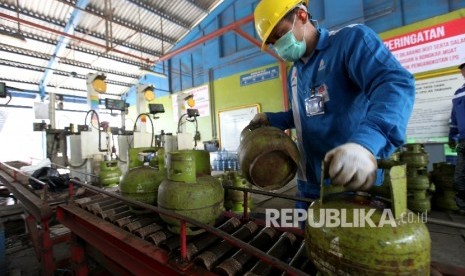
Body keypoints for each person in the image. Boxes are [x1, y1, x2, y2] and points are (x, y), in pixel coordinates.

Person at [251, 0, 415, 209]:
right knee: (308, 241)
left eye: (280, 34)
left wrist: (365, 144)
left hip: (353, 182)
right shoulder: (295, 73)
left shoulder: (350, 42)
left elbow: (393, 85)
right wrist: (271, 119)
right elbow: (306, 114)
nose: (279, 46)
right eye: (273, 42)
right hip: (307, 186)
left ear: (302, 16)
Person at [448, 61, 465, 212]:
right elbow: (454, 117)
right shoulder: (459, 93)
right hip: (463, 141)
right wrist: (451, 135)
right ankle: (462, 207)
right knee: (459, 176)